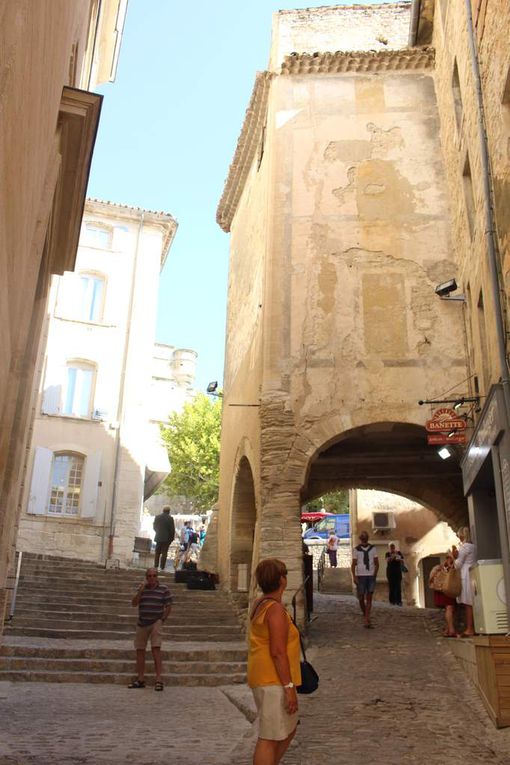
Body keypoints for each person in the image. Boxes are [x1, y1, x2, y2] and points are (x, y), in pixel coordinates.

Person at [247, 558, 301, 765]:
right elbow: (278, 651)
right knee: (269, 737)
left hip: (263, 676)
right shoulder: (274, 610)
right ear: (282, 580)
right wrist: (289, 688)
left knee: (287, 729)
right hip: (273, 679)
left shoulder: (261, 604)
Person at [128, 567, 172, 691]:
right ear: (146, 578)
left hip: (155, 622)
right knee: (140, 650)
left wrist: (162, 619)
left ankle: (159, 679)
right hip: (142, 623)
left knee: (156, 649)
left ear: (157, 577)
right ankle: (140, 679)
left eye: (154, 576)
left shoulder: (164, 589)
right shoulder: (142, 589)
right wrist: (140, 591)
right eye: (149, 576)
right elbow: (134, 603)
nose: (152, 578)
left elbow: (168, 606)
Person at [351, 531, 379, 628]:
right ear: (360, 538)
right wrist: (354, 576)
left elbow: (376, 563)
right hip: (361, 576)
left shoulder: (373, 549)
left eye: (365, 536)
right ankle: (365, 614)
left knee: (369, 598)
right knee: (361, 598)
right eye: (362, 536)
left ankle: (367, 619)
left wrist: (374, 575)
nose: (363, 537)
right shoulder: (356, 550)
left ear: (367, 538)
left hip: (370, 575)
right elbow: (353, 564)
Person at [453, 526, 477, 637]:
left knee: (468, 603)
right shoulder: (473, 546)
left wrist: (453, 557)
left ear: (462, 535)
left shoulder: (464, 547)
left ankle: (470, 628)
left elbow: (458, 564)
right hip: (473, 573)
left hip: (466, 575)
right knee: (473, 602)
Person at [429, 552, 457, 637]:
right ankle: (451, 630)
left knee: (449, 609)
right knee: (449, 608)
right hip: (446, 590)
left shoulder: (439, 567)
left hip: (441, 590)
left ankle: (447, 630)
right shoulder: (448, 567)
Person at [153, 506, 175, 572]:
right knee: (164, 553)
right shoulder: (170, 518)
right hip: (166, 538)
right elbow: (172, 530)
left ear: (163, 510)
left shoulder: (157, 517)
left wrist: (158, 532)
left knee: (157, 552)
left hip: (158, 537)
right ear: (169, 511)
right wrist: (171, 538)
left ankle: (155, 566)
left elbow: (154, 527)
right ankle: (162, 567)